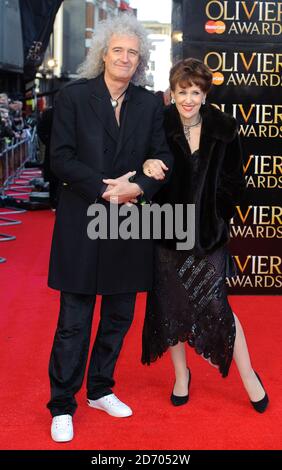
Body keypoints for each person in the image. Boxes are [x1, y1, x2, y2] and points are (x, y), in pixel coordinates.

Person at [47, 14, 173, 442]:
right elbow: (60, 159)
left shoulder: (148, 103)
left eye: (132, 52)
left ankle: (101, 389)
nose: (124, 57)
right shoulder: (74, 97)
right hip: (84, 219)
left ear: (140, 61)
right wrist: (106, 191)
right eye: (117, 49)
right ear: (103, 53)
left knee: (118, 315)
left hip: (130, 221)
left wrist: (139, 185)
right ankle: (62, 403)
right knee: (74, 319)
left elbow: (161, 159)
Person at [141, 58, 269, 413]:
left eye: (195, 92)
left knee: (218, 305)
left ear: (205, 94)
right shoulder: (160, 125)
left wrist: (216, 214)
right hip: (168, 234)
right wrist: (147, 168)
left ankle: (249, 378)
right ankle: (181, 376)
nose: (188, 99)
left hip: (209, 237)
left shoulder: (224, 128)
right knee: (171, 305)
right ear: (173, 91)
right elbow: (146, 170)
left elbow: (234, 183)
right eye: (182, 91)